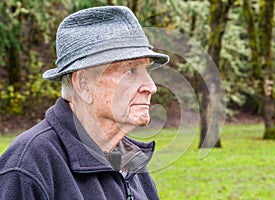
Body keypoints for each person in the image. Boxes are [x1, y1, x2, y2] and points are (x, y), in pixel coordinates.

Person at [0, 6, 169, 200]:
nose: (151, 86)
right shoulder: (29, 166)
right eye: (130, 71)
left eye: (147, 70)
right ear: (83, 84)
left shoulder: (130, 160)